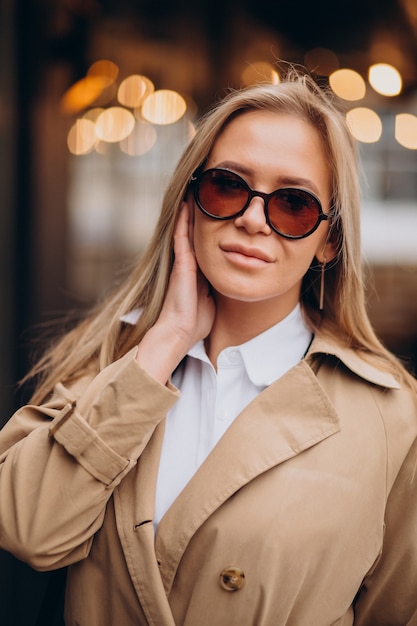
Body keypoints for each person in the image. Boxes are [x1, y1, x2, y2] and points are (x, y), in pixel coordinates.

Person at [1, 68, 417, 626]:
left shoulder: (393, 419)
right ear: (189, 203)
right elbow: (30, 532)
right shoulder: (106, 363)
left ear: (329, 241)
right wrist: (165, 341)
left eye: (292, 203)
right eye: (228, 186)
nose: (251, 220)